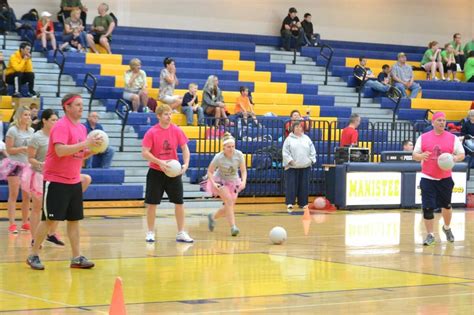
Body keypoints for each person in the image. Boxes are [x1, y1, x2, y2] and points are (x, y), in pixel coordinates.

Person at [27, 93, 103, 270]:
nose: (81, 107)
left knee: (74, 220)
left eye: (81, 104)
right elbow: (60, 151)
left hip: (74, 180)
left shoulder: (82, 128)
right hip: (56, 180)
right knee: (49, 221)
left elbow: (79, 155)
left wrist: (93, 150)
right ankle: (33, 255)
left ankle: (76, 257)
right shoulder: (61, 126)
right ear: (67, 107)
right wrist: (85, 143)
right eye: (77, 105)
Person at [141, 104, 193, 243]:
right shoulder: (152, 132)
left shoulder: (176, 130)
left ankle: (181, 232)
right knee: (152, 203)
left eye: (170, 114)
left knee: (179, 203)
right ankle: (150, 232)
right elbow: (145, 153)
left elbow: (185, 148)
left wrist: (186, 163)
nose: (169, 116)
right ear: (158, 116)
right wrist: (159, 162)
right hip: (156, 172)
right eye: (166, 114)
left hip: (174, 172)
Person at [412, 112, 465, 246]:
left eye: (444, 120)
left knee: (446, 206)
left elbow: (462, 154)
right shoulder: (423, 138)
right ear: (433, 122)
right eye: (439, 120)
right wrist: (421, 156)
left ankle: (446, 228)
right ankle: (430, 235)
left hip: (445, 177)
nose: (442, 123)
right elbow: (414, 154)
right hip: (427, 177)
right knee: (428, 207)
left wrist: (455, 158)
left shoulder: (452, 138)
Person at [206, 132, 247, 236]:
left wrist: (243, 181)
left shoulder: (239, 155)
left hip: (234, 181)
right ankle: (233, 227)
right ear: (223, 147)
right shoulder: (218, 157)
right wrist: (214, 183)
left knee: (229, 206)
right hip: (220, 181)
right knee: (228, 201)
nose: (231, 149)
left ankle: (212, 217)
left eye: (233, 146)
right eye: (229, 147)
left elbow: (243, 171)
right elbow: (210, 171)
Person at [0, 106, 33, 234]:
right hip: (14, 164)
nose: (28, 117)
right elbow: (9, 150)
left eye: (29, 115)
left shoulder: (31, 131)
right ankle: (12, 223)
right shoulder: (12, 130)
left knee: (27, 195)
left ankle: (25, 222)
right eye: (25, 115)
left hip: (27, 164)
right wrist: (22, 149)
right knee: (13, 194)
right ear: (19, 116)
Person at [282, 121, 316, 213]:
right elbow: (285, 152)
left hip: (305, 166)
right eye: (296, 127)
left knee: (304, 185)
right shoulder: (288, 139)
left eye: (300, 127)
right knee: (291, 185)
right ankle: (290, 203)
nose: (298, 128)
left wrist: (311, 160)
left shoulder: (307, 139)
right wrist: (290, 161)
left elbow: (313, 151)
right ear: (293, 129)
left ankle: (303, 203)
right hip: (292, 167)